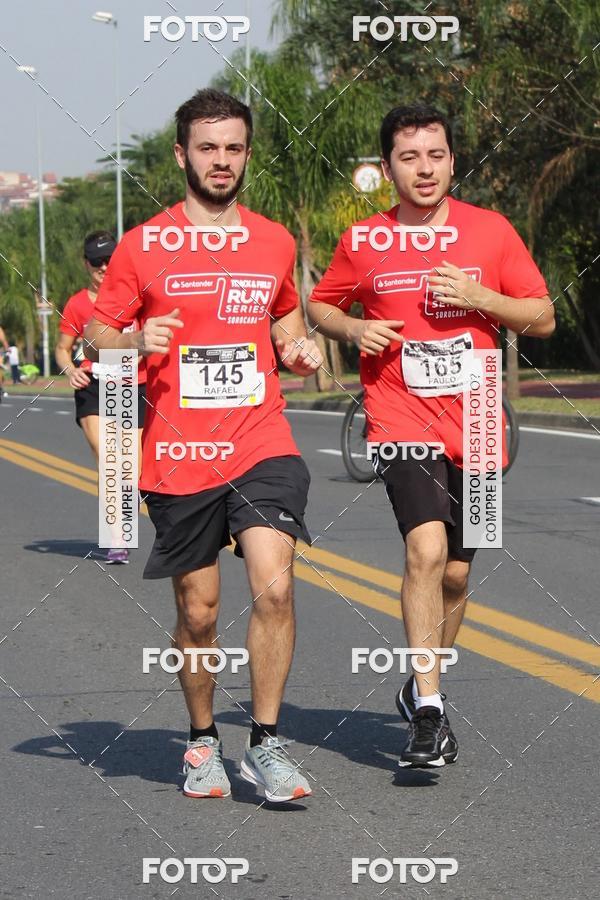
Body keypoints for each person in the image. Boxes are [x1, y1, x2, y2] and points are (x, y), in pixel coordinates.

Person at [84, 89, 323, 802]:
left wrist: (297, 346)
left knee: (273, 585)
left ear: (247, 154)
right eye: (208, 148)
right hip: (178, 453)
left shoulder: (274, 240)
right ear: (182, 154)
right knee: (199, 612)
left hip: (261, 438)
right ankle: (200, 742)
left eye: (234, 148)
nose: (222, 161)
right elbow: (97, 331)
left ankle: (269, 744)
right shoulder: (143, 245)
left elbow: (281, 316)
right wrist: (132, 338)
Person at [309, 105, 555, 769]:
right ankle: (428, 706)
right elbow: (322, 303)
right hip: (400, 414)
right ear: (386, 166)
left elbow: (541, 317)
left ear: (451, 160)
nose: (424, 168)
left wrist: (482, 297)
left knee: (455, 571)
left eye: (436, 155)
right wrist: (356, 331)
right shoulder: (365, 240)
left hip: (475, 417)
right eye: (409, 157)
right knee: (425, 549)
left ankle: (427, 681)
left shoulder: (491, 231)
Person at [55, 232, 147, 564]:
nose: (104, 267)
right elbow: (63, 350)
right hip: (94, 385)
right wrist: (70, 371)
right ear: (86, 264)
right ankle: (117, 538)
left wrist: (142, 350)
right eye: (97, 262)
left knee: (132, 468)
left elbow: (151, 336)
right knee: (110, 458)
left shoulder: (137, 297)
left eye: (109, 259)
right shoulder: (78, 304)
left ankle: (122, 518)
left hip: (135, 384)